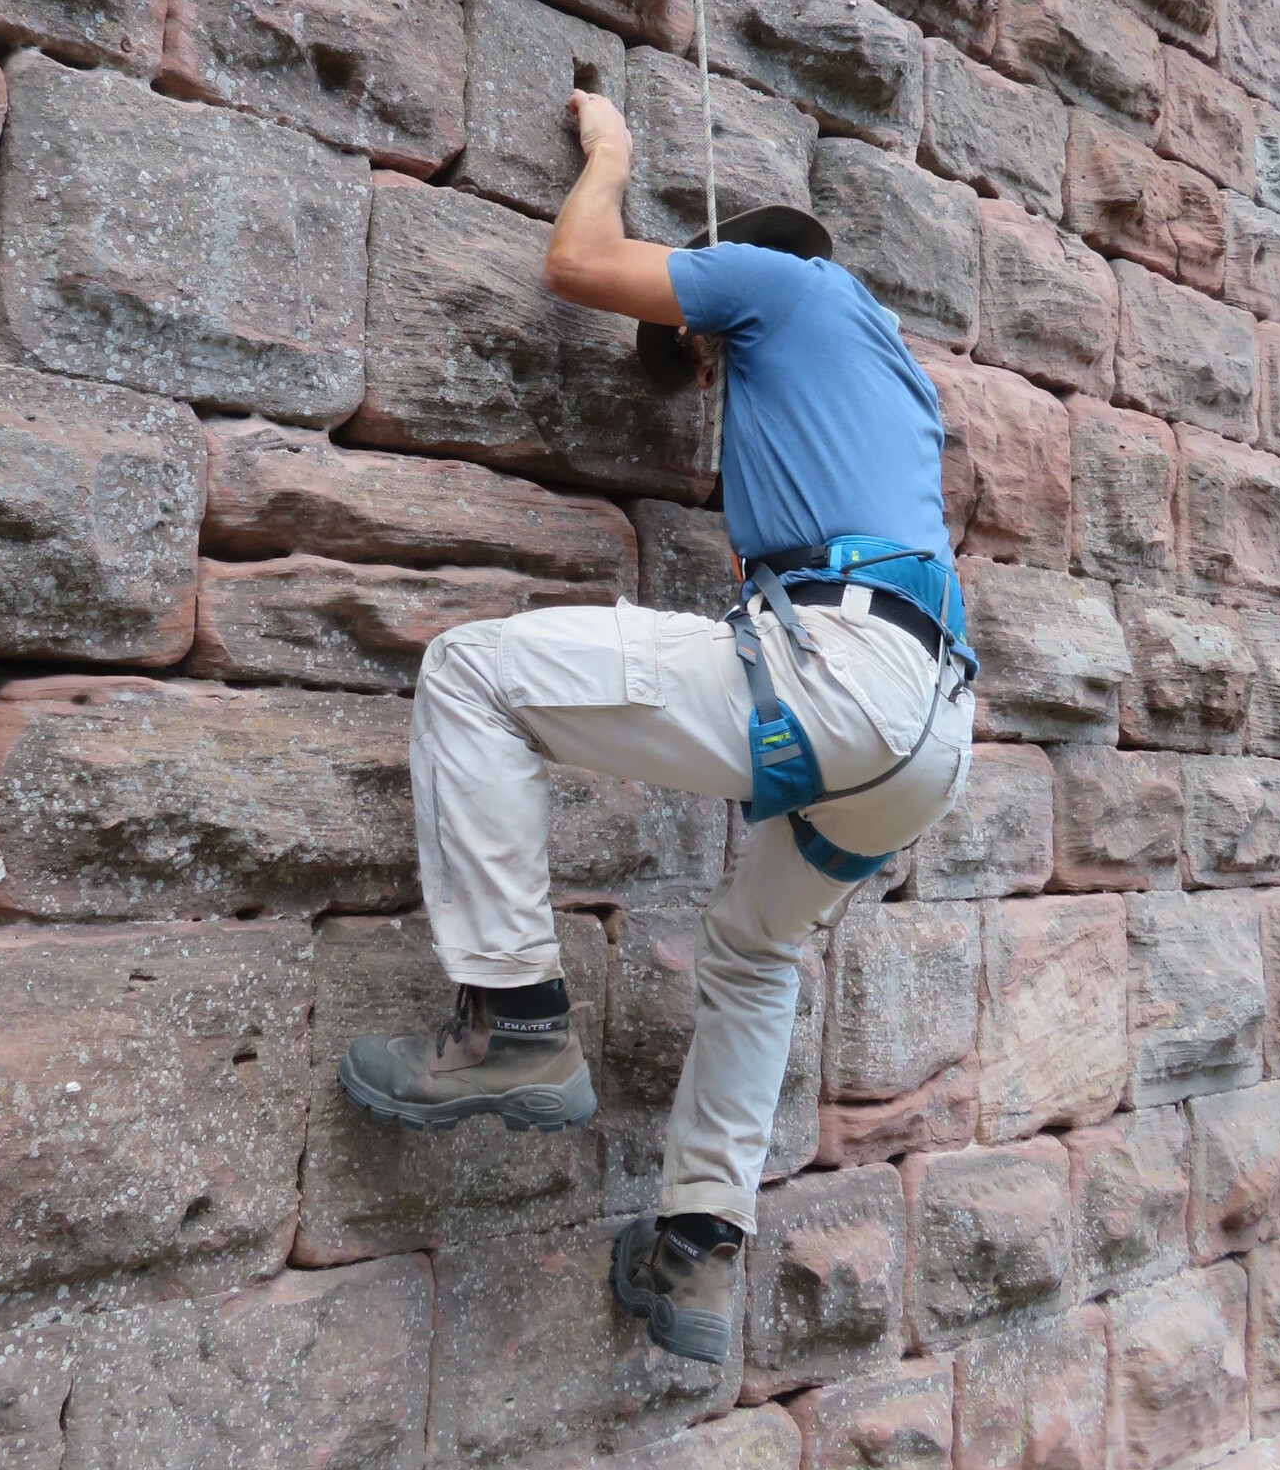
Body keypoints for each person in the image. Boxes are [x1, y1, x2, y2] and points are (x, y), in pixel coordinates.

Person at [339, 90, 976, 1365]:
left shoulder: (777, 284)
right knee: (756, 951)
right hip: (926, 740)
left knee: (471, 673)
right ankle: (699, 1247)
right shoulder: (890, 376)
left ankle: (513, 1018)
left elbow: (580, 265)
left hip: (841, 674)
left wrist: (614, 154)